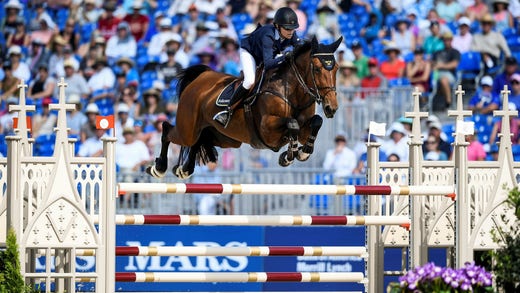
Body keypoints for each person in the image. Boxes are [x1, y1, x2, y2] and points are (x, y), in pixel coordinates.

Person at [213, 7, 300, 127]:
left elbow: (300, 45)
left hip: (267, 54)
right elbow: (268, 64)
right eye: (287, 28)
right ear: (277, 26)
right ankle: (228, 111)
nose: (291, 31)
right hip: (250, 53)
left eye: (293, 28)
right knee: (249, 81)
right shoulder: (268, 36)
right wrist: (285, 57)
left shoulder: (291, 34)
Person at [431, 31, 460, 110]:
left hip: (449, 74)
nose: (447, 41)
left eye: (448, 39)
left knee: (443, 79)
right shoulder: (437, 52)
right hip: (436, 73)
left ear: (451, 40)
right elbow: (432, 63)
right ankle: (425, 103)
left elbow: (454, 64)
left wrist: (441, 65)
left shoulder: (455, 52)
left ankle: (448, 102)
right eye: (445, 40)